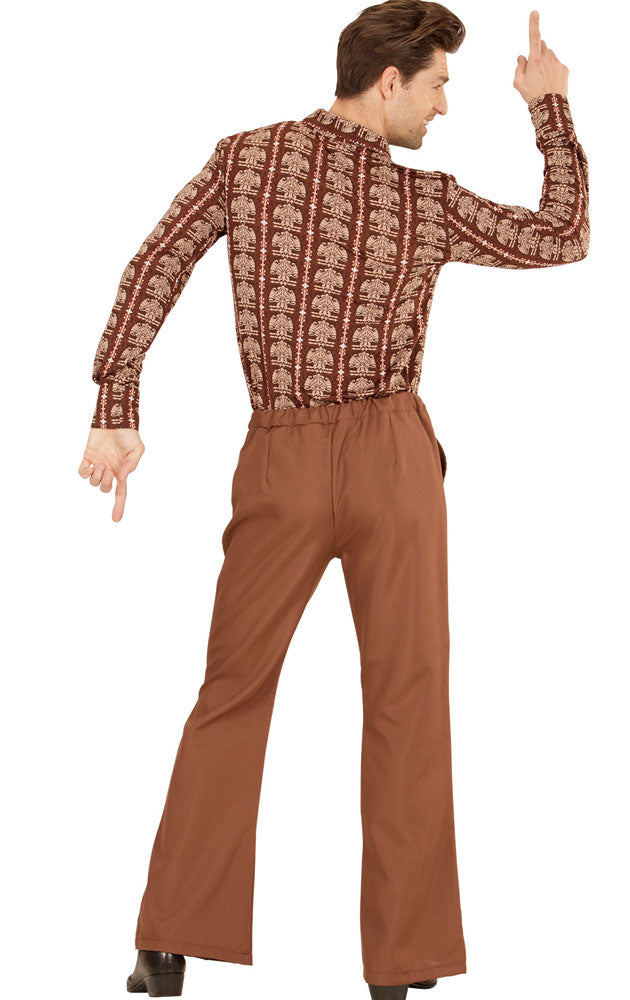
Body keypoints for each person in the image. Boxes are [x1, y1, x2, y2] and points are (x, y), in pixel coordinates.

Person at [78, 2, 589, 997]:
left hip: (292, 452)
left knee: (239, 688)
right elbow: (561, 234)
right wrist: (550, 110)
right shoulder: (421, 200)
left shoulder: (248, 159)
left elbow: (155, 263)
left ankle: (168, 944)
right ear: (388, 80)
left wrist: (115, 407)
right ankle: (401, 963)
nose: (443, 107)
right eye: (437, 85)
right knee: (402, 694)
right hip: (382, 457)